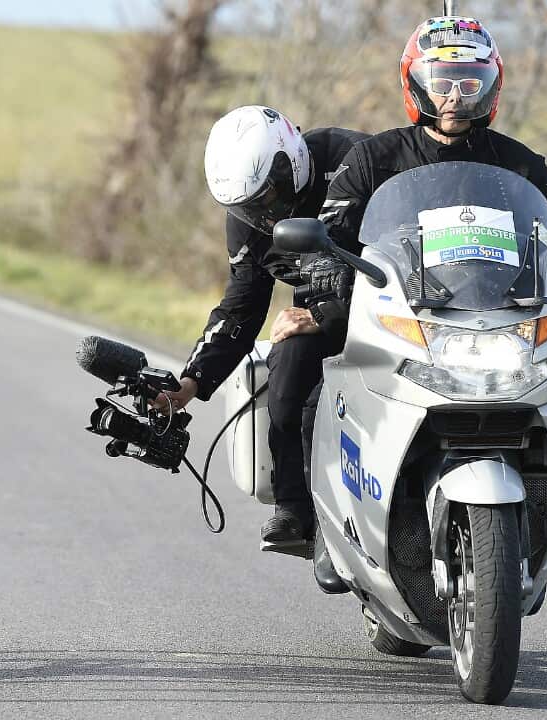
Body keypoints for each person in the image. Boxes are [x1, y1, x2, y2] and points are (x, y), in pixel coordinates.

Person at [311, 15, 547, 592]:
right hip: (405, 320)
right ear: (415, 82)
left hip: (499, 325)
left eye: (469, 81)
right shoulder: (374, 158)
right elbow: (332, 229)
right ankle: (329, 526)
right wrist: (323, 266)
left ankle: (540, 512)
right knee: (322, 389)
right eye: (442, 80)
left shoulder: (521, 165)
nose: (454, 94)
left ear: (490, 86)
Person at [150, 104, 368, 557]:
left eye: (268, 197)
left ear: (292, 160)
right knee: (286, 376)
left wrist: (333, 312)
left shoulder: (354, 158)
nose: (264, 215)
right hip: (316, 313)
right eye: (248, 207)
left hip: (392, 301)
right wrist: (188, 385)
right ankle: (299, 511)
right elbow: (242, 307)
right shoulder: (248, 223)